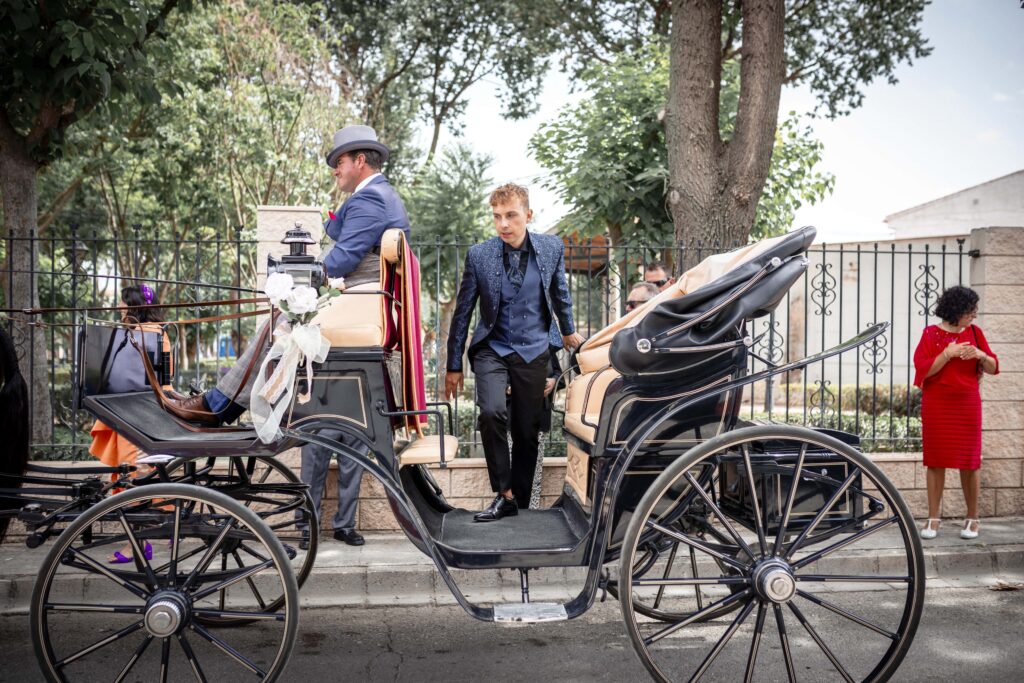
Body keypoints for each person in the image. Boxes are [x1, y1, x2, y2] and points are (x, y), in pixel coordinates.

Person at [162, 124, 410, 426]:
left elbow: (342, 259)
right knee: (276, 323)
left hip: (358, 300)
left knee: (276, 325)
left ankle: (216, 406)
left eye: (339, 162)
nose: (335, 170)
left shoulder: (371, 198)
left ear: (360, 161)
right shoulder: (381, 195)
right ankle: (218, 404)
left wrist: (293, 282)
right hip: (361, 299)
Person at [445, 183, 583, 522]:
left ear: (528, 215)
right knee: (492, 413)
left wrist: (568, 331)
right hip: (492, 347)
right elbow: (463, 312)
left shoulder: (550, 248)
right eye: (497, 217)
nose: (503, 224)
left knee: (527, 431)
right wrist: (453, 365)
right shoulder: (480, 255)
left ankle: (521, 507)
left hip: (534, 348)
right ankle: (503, 494)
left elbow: (559, 293)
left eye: (511, 216)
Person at [88, 284, 171, 562]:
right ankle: (153, 537)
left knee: (132, 477)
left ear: (133, 306)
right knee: (143, 476)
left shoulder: (136, 336)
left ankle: (139, 544)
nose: (119, 307)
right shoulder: (159, 333)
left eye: (123, 303)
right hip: (147, 413)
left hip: (136, 415)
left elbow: (123, 377)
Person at [913, 286, 999, 540]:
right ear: (956, 310)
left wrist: (981, 355)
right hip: (937, 405)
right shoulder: (930, 334)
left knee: (970, 462)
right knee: (935, 461)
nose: (974, 315)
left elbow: (994, 367)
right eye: (970, 311)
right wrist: (946, 354)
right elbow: (922, 370)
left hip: (967, 405)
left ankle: (973, 519)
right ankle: (933, 519)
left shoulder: (975, 333)